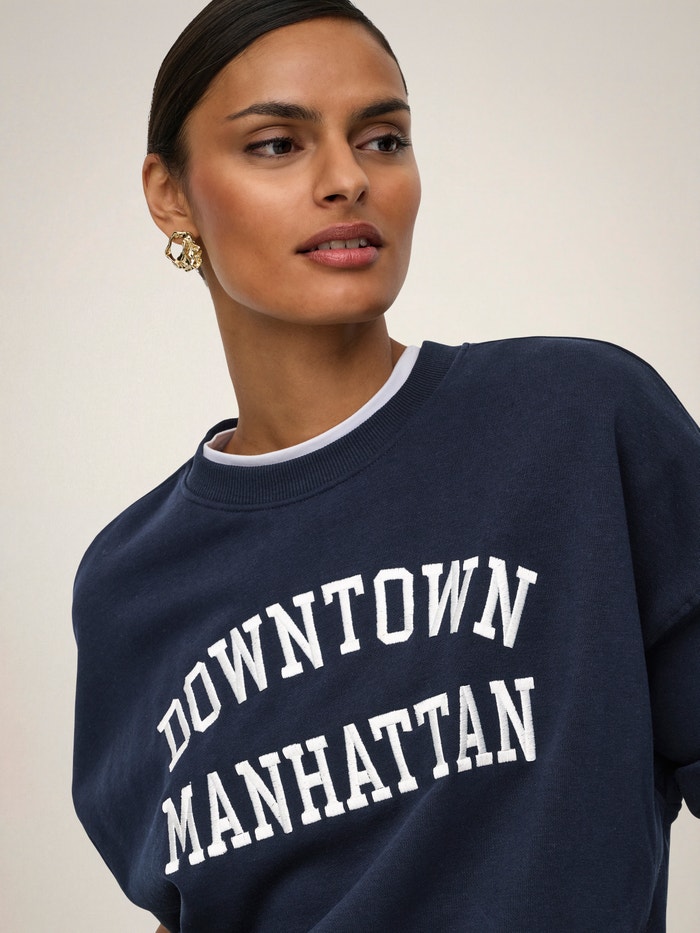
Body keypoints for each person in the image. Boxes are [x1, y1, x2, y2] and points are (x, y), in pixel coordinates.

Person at [71, 1, 700, 931]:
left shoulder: (581, 419)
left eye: (383, 139)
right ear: (171, 194)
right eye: (277, 145)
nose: (347, 179)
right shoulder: (128, 584)